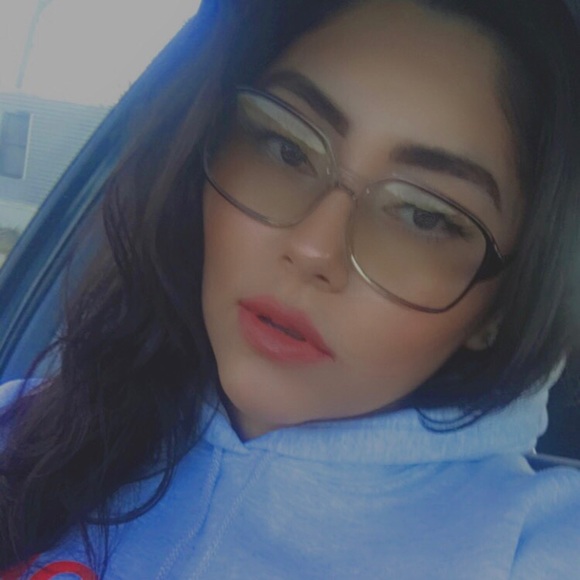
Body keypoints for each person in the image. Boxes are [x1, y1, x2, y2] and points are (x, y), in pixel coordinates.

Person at [1, 0, 580, 577]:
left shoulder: (532, 548)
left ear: (503, 307)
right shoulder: (22, 426)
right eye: (287, 148)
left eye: (424, 217)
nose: (312, 249)